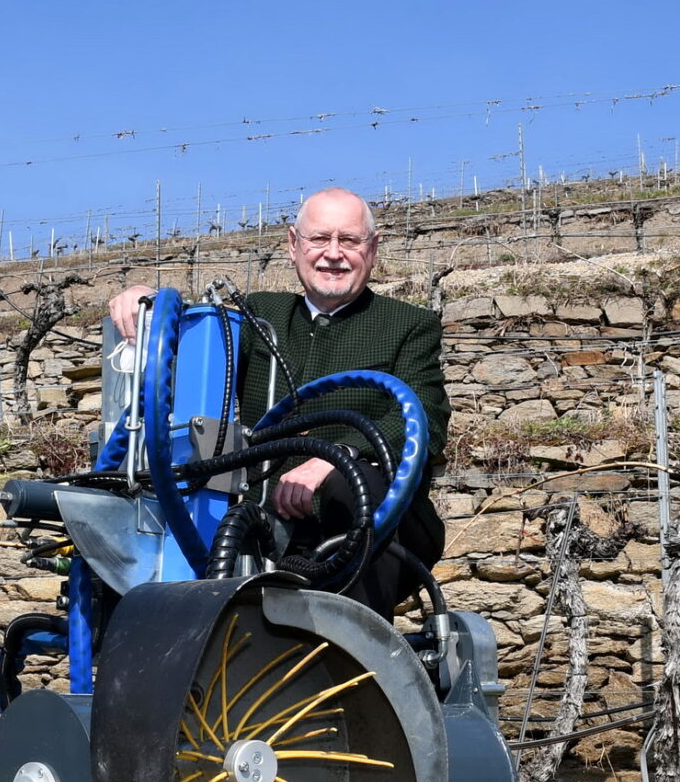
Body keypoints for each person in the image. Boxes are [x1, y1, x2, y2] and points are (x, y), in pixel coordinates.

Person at [107, 188, 447, 617]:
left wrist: (336, 457)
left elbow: (426, 420)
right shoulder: (257, 316)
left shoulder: (407, 325)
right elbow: (200, 346)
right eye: (320, 239)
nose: (334, 254)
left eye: (350, 240)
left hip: (365, 526)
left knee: (356, 485)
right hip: (265, 523)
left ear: (373, 249)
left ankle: (359, 661)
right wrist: (146, 301)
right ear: (293, 245)